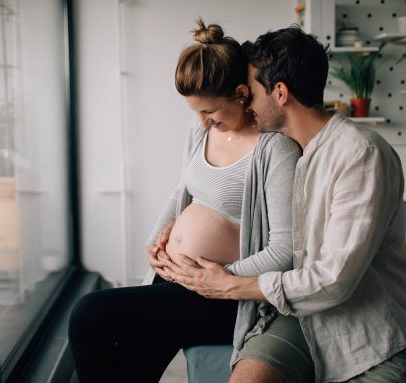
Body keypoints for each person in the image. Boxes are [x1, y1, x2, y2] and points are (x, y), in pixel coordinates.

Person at [163, 25, 406, 383]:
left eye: (251, 92)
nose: (245, 102)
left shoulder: (359, 154)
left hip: (362, 330)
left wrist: (227, 283)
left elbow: (334, 282)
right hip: (295, 319)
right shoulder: (294, 151)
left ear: (279, 93)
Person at [68, 19, 301, 383]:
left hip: (222, 298)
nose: (203, 121)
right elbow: (183, 190)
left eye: (210, 111)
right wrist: (156, 239)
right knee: (129, 369)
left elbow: (284, 250)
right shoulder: (200, 130)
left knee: (88, 315)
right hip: (178, 281)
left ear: (241, 93)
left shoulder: (274, 150)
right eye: (196, 112)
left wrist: (216, 278)